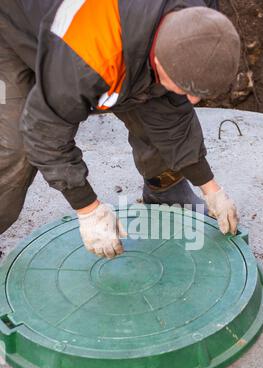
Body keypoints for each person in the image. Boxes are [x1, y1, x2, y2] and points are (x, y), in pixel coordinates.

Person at [0, 0, 240, 259]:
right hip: (15, 29)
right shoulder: (91, 55)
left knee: (161, 99)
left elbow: (172, 115)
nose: (193, 100)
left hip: (97, 38)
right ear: (158, 58)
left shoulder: (198, 17)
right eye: (189, 88)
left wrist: (211, 188)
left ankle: (165, 189)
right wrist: (88, 209)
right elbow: (44, 133)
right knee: (17, 150)